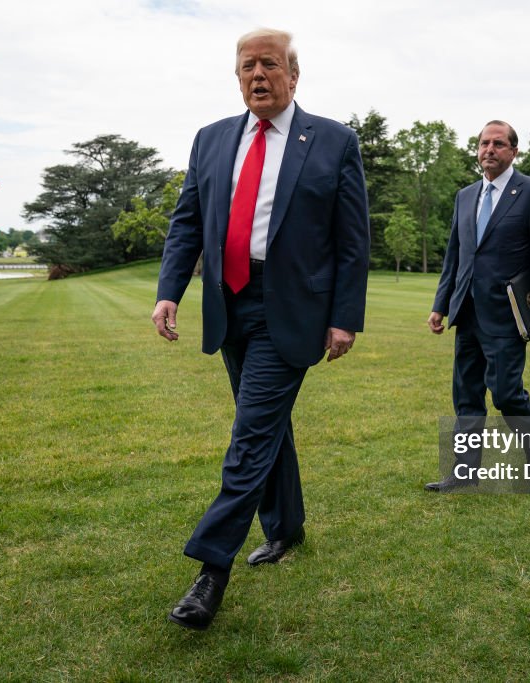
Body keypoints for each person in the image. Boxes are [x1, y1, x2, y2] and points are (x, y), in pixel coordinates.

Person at [151, 28, 369, 630]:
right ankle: (287, 529)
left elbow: (353, 243)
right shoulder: (212, 139)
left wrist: (344, 317)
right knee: (268, 426)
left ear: (293, 75)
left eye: (269, 64)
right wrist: (171, 291)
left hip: (292, 308)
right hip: (229, 305)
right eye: (247, 67)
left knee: (250, 436)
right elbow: (187, 221)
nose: (257, 75)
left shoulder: (332, 140)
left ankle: (209, 573)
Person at [426, 120, 530, 491]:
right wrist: (441, 304)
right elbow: (454, 257)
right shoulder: (465, 196)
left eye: (498, 144)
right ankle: (464, 473)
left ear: (513, 151)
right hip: (466, 311)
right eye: (484, 143)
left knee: (506, 393)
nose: (489, 149)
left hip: (507, 314)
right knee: (466, 395)